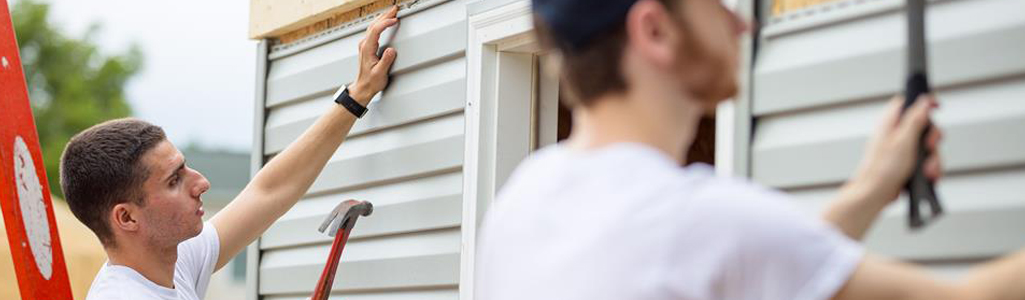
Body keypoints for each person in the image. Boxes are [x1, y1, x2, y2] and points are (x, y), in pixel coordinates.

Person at [475, 0, 1025, 299]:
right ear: (655, 30)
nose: (743, 22)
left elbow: (759, 269)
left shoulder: (524, 197)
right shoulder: (701, 221)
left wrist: (871, 187)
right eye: (716, 4)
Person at [58, 7, 401, 300]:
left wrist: (357, 95)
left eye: (185, 168)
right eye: (174, 181)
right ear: (127, 218)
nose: (201, 183)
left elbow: (269, 191)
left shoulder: (172, 264)